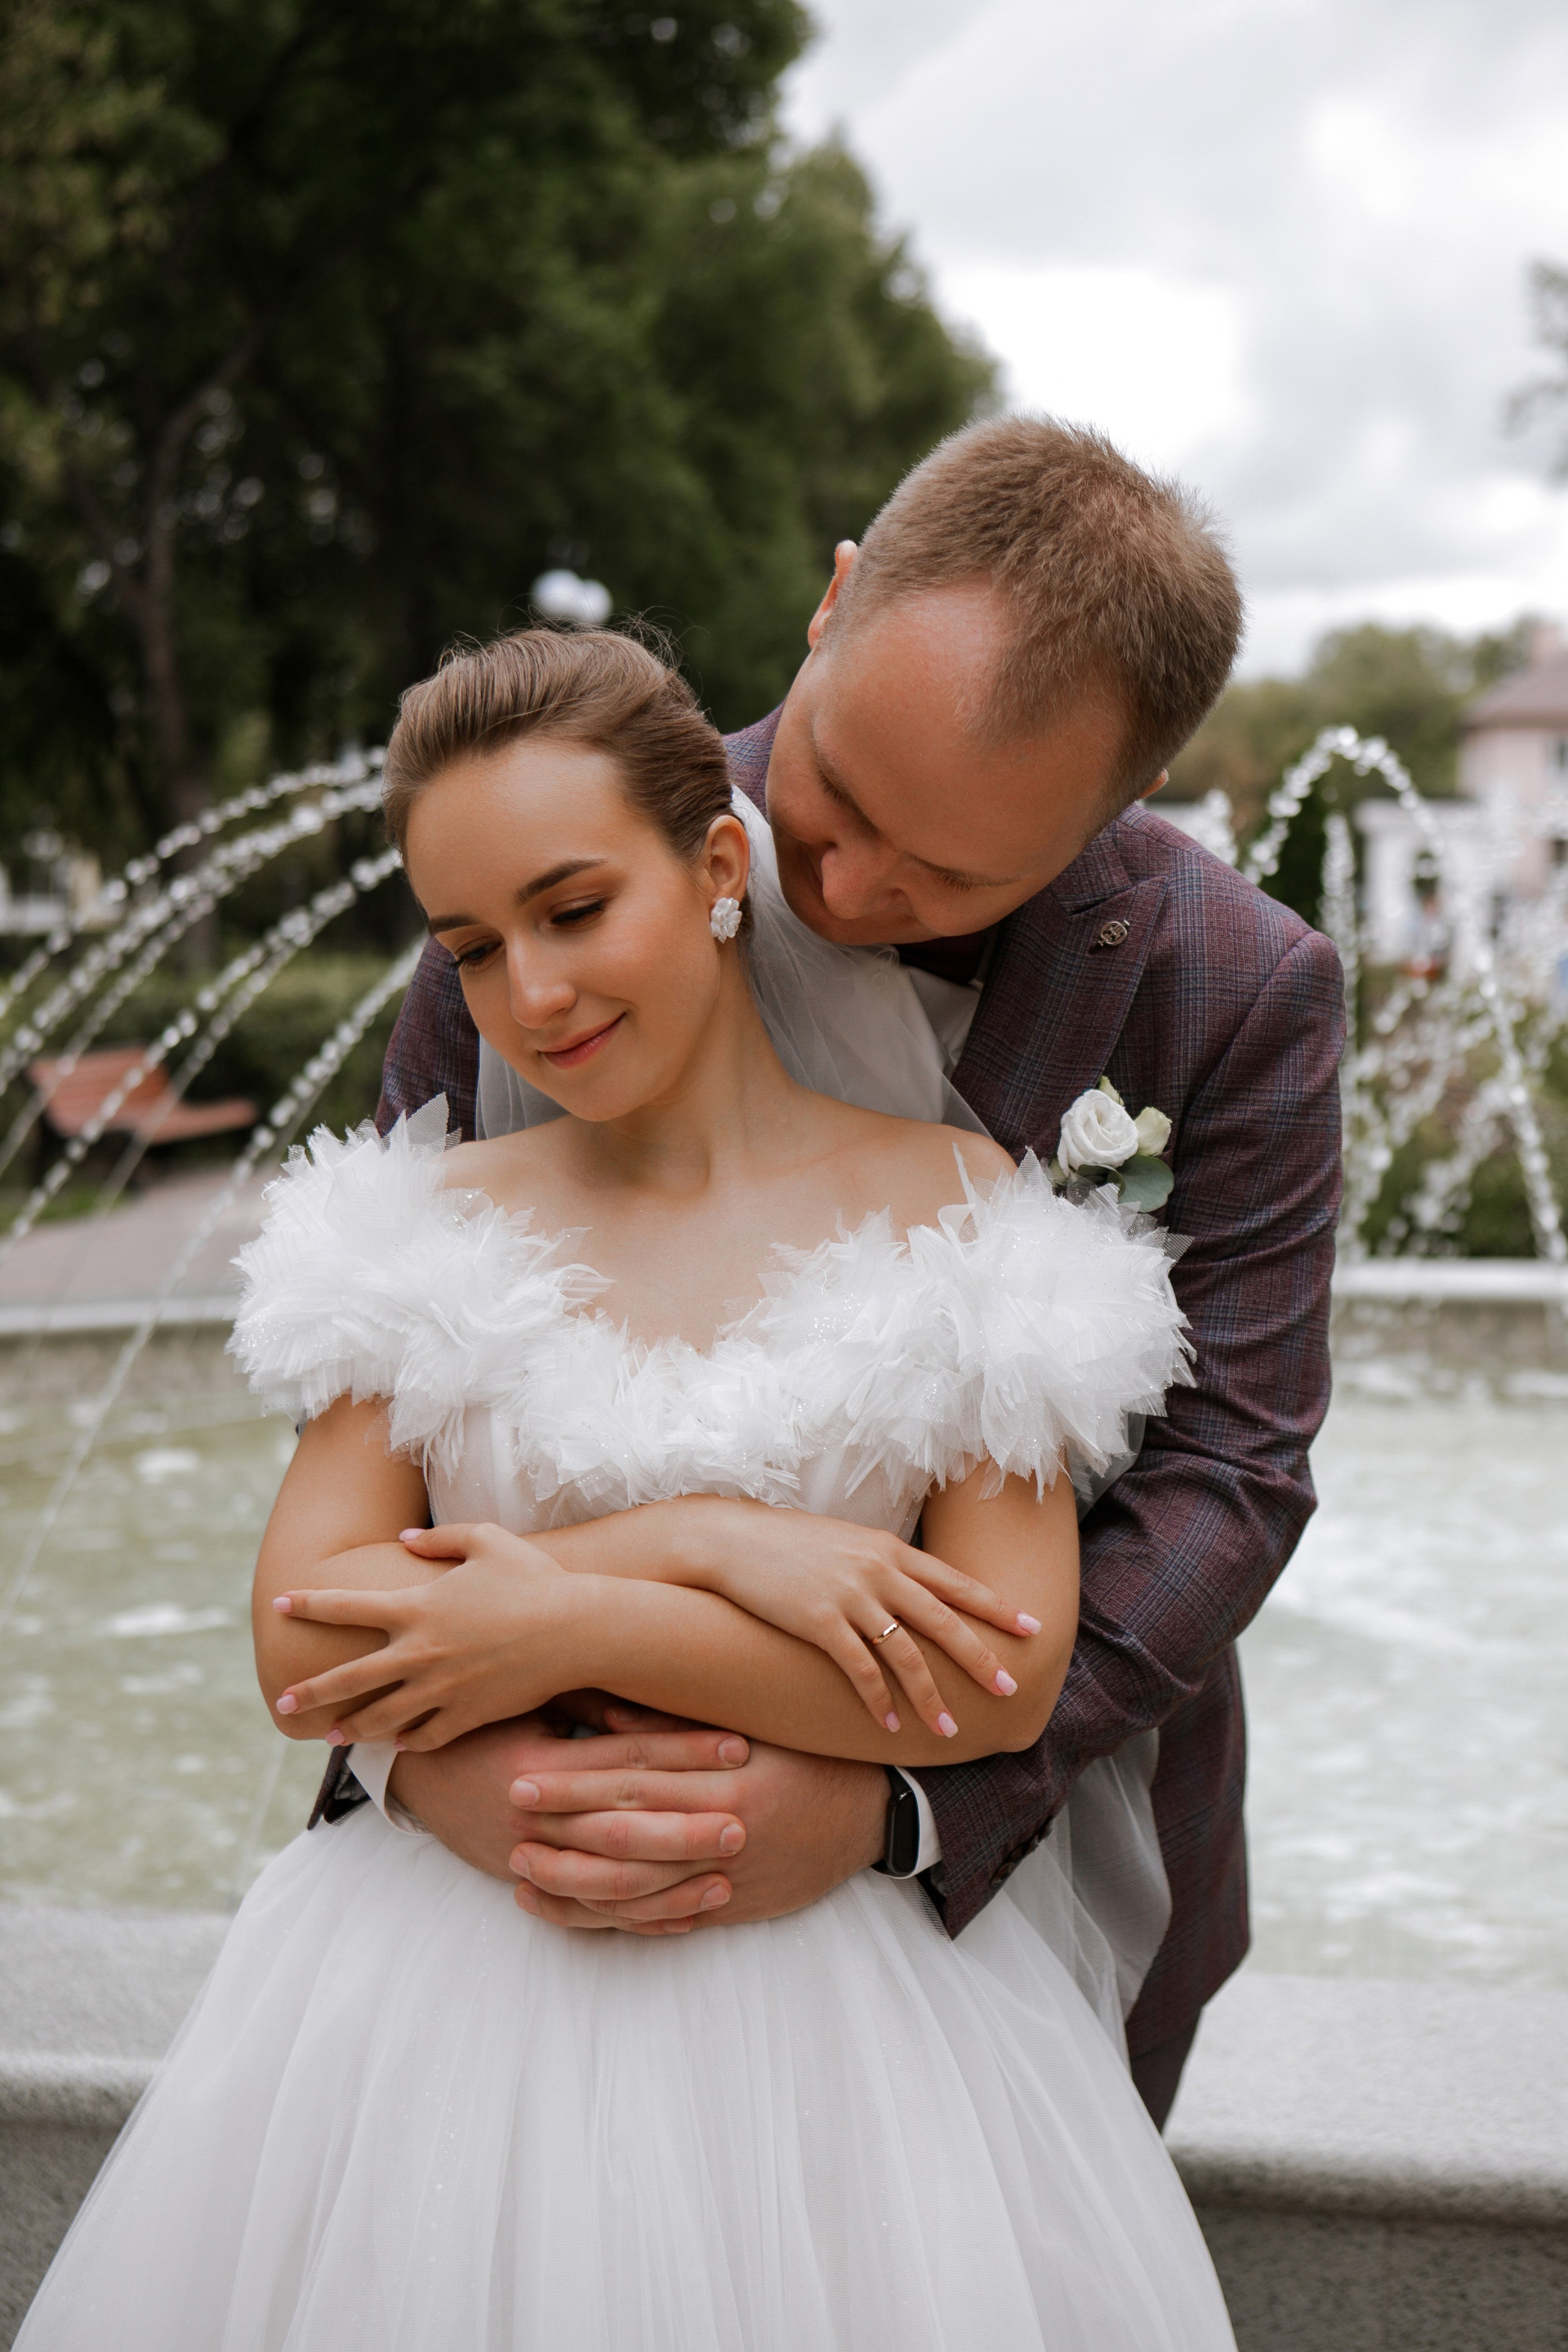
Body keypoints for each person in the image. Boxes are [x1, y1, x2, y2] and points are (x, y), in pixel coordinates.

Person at [20, 623, 1237, 2350]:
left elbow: (995, 1676)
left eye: (575, 909)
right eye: (472, 945)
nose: (531, 994)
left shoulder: (968, 1211)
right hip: (429, 2017)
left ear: (720, 865)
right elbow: (306, 1650)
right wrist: (705, 1544)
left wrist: (559, 1620)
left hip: (847, 2044)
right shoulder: (418, 1227)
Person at [327, 416, 1344, 2129]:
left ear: (1124, 800)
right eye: (838, 800)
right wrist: (434, 1764)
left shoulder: (1235, 991)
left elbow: (1229, 1476)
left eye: (950, 871)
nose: (853, 889)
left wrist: (895, 1806)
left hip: (1015, 1849)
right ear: (835, 601)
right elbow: (381, 1378)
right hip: (511, 1828)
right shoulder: (555, 866)